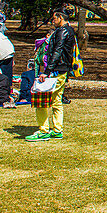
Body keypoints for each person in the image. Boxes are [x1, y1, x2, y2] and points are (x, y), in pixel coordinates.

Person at [25, 8, 77, 142]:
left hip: (56, 70)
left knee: (41, 100)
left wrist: (47, 71)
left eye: (54, 18)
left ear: (60, 17)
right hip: (62, 69)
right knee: (56, 101)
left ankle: (43, 130)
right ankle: (57, 129)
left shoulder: (62, 31)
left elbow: (57, 51)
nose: (52, 21)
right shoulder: (69, 31)